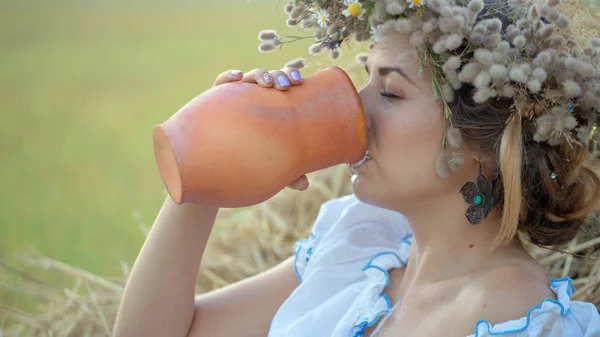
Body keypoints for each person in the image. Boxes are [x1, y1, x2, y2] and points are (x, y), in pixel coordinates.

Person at [113, 0, 600, 336]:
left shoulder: (514, 318)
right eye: (365, 77)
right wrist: (210, 163)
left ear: (481, 143)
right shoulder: (363, 243)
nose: (356, 109)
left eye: (390, 92)